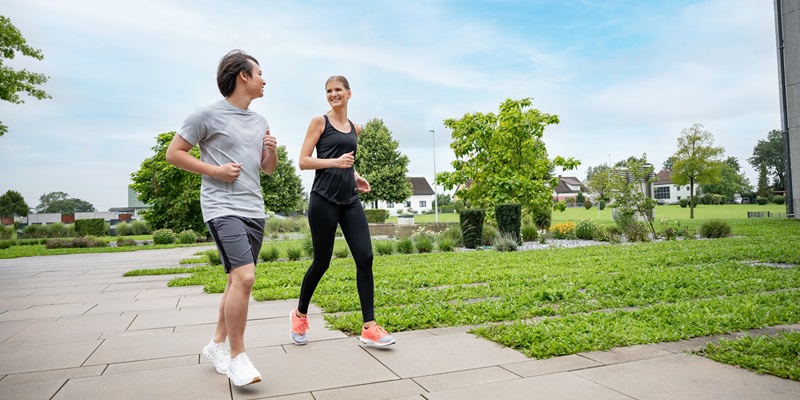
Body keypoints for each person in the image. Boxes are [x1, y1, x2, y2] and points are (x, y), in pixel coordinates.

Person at [165, 49, 277, 387]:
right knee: (245, 277)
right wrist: (215, 170)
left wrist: (270, 150)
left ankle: (215, 345)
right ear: (244, 76)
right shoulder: (205, 115)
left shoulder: (260, 121)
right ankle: (237, 357)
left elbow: (267, 170)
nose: (264, 80)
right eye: (260, 73)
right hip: (221, 207)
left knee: (234, 281)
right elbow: (174, 153)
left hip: (253, 209)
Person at [289, 75, 395, 347]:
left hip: (349, 199)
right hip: (323, 200)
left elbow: (348, 161)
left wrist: (355, 175)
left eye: (338, 90)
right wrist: (335, 163)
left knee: (365, 257)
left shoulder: (354, 128)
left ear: (349, 93)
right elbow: (303, 161)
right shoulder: (319, 122)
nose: (333, 94)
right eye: (329, 91)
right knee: (322, 262)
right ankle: (299, 315)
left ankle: (369, 327)